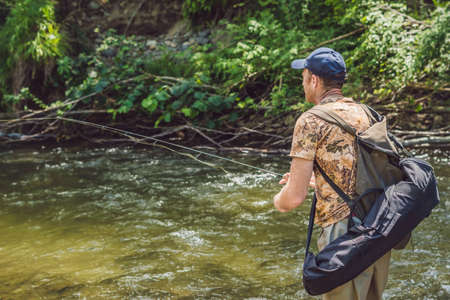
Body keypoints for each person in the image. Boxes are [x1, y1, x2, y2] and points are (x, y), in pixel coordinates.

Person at [273, 47, 391, 300]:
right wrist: (322, 181)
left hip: (343, 235)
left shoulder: (310, 121)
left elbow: (293, 198)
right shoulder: (367, 113)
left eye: (303, 76)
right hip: (379, 227)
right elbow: (362, 170)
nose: (302, 83)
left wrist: (278, 199)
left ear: (314, 80)